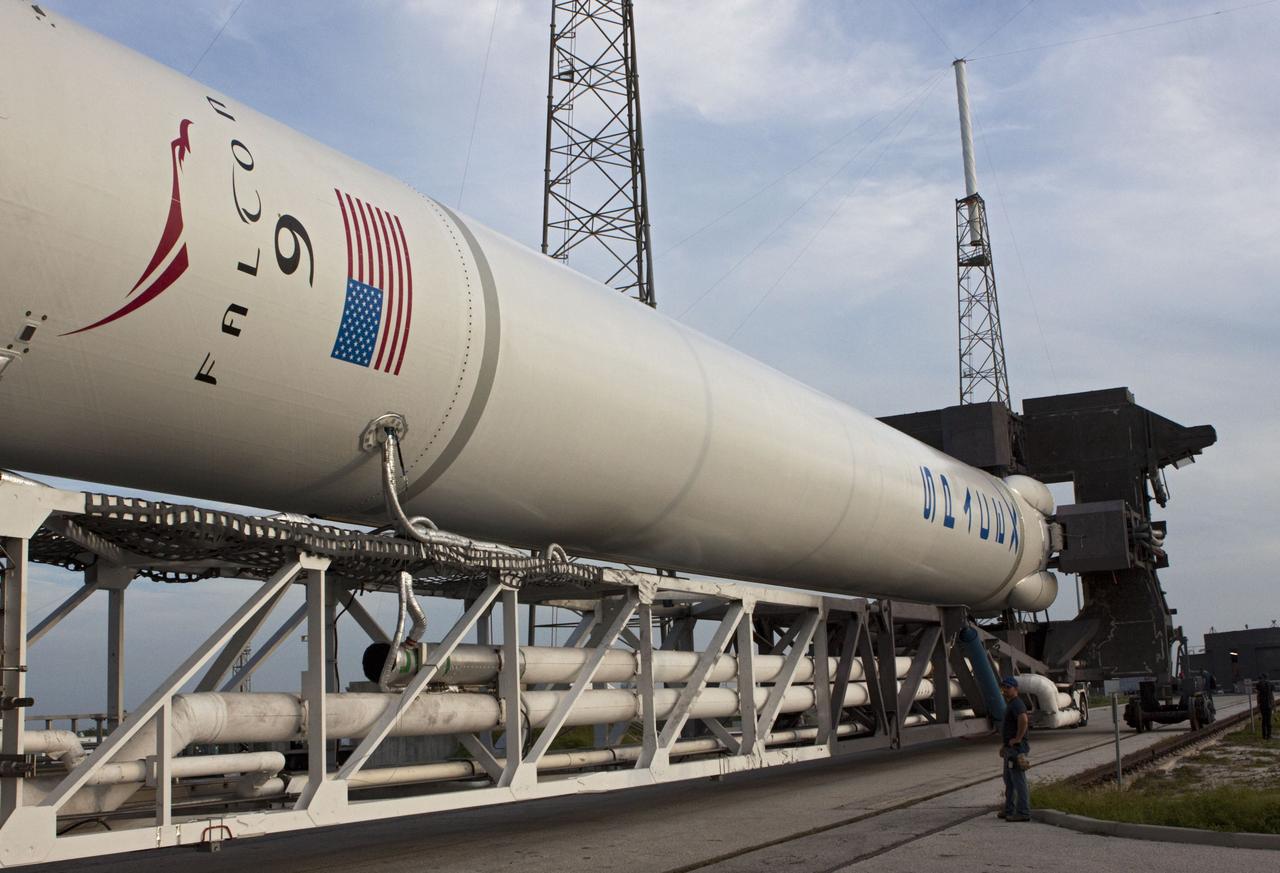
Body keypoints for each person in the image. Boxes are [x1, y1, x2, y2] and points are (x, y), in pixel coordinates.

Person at [998, 676, 1031, 821]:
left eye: (1008, 687)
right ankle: (1009, 809)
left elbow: (1023, 719)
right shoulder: (1011, 704)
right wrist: (1004, 746)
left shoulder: (1017, 704)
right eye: (1004, 687)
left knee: (1018, 780)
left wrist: (1017, 739)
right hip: (1010, 749)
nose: (1005, 690)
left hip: (1017, 749)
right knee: (1009, 780)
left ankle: (1023, 812)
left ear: (1016, 689)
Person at [1257, 673, 1274, 740]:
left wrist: (1258, 705)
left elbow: (1258, 695)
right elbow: (1272, 695)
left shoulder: (1259, 684)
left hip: (1262, 705)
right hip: (1269, 705)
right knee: (1269, 721)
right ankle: (1269, 736)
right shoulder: (1271, 684)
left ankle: (1264, 736)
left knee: (1264, 720)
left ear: (1262, 677)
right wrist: (1274, 705)